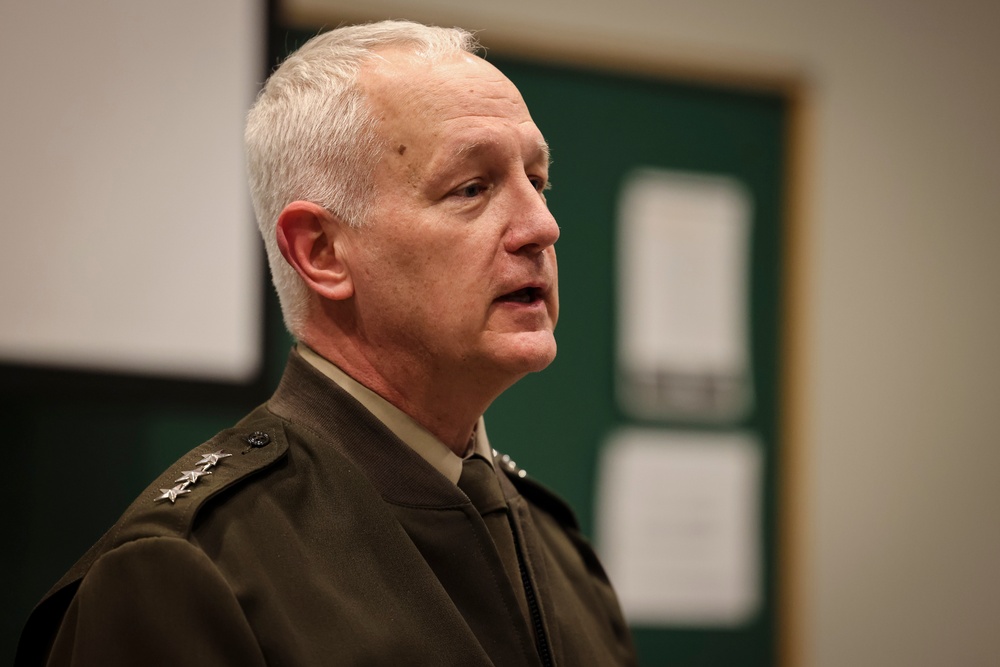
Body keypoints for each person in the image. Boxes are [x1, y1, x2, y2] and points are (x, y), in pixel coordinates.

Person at [16, 19, 637, 667]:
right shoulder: (187, 573)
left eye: (537, 181)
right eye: (473, 188)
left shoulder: (563, 555)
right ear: (321, 251)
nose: (542, 226)